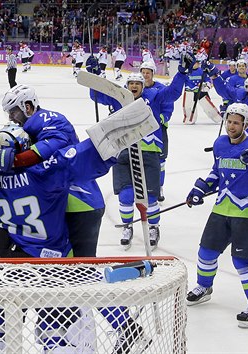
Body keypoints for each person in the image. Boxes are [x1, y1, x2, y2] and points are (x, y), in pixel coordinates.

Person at [0, 104, 156, 353]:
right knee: (58, 335)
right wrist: (120, 126)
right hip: (55, 268)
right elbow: (89, 155)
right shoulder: (44, 175)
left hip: (5, 264)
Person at [185, 103, 248, 329]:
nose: (231, 126)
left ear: (245, 124)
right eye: (229, 121)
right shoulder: (220, 143)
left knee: (242, 261)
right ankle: (204, 287)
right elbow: (217, 172)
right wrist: (201, 188)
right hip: (223, 207)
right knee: (206, 251)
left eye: (236, 122)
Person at [87, 54, 191, 249]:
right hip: (124, 151)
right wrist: (93, 76)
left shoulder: (155, 97)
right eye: (131, 83)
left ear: (143, 86)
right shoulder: (119, 98)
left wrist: (182, 73)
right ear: (127, 85)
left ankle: (153, 227)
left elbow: (173, 93)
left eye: (138, 83)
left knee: (150, 196)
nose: (134, 86)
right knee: (126, 195)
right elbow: (96, 95)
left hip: (149, 152)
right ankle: (127, 226)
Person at [0, 84, 106, 258]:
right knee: (62, 260)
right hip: (61, 203)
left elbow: (43, 155)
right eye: (8, 112)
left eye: (14, 111)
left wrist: (10, 161)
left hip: (81, 202)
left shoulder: (48, 121)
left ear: (27, 106)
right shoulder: (29, 127)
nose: (11, 117)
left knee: (81, 267)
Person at [138, 61, 175, 202]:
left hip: (158, 131)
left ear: (153, 74)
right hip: (139, 131)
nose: (145, 75)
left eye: (148, 72)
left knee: (160, 161)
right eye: (143, 72)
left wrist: (159, 119)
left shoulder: (161, 89)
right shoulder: (135, 86)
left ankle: (159, 186)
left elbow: (168, 109)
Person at [182, 58, 221, 125]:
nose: (195, 64)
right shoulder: (187, 71)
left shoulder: (202, 71)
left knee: (208, 105)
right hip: (189, 91)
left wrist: (206, 86)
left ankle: (217, 117)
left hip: (201, 91)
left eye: (197, 63)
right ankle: (189, 118)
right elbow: (181, 81)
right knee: (188, 106)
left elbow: (208, 80)